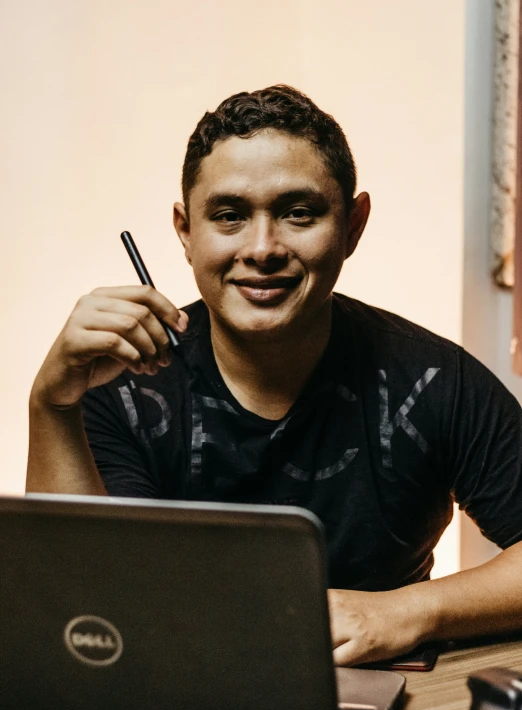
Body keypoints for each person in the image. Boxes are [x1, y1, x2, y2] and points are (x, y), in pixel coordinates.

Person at [26, 85, 522, 666]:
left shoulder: (434, 379)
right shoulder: (120, 382)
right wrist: (51, 406)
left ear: (353, 225)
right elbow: (82, 605)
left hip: (384, 699)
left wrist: (407, 611)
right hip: (171, 696)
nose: (263, 249)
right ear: (186, 231)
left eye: (299, 213)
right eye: (230, 216)